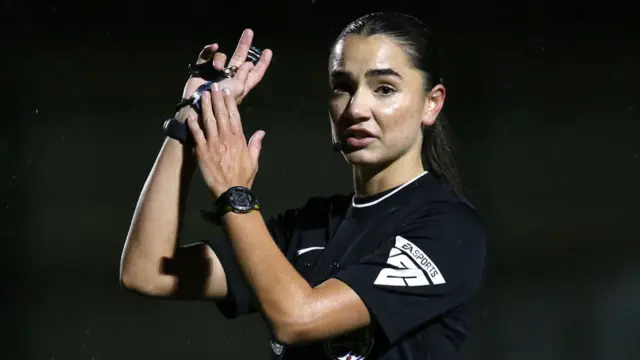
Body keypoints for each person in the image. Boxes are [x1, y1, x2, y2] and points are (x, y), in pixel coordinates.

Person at [120, 12, 487, 360]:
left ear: (431, 104)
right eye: (342, 87)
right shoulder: (310, 225)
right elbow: (147, 271)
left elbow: (297, 319)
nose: (357, 107)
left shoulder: (448, 228)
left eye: (385, 89)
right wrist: (190, 118)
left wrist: (235, 195)